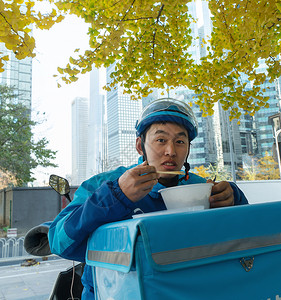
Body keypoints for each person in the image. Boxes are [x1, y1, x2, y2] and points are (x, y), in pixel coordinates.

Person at [48, 98, 249, 299]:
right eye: (160, 140)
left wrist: (234, 198)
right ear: (140, 145)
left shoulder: (201, 186)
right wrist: (116, 196)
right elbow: (60, 243)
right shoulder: (103, 184)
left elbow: (246, 236)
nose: (171, 151)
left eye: (180, 141)